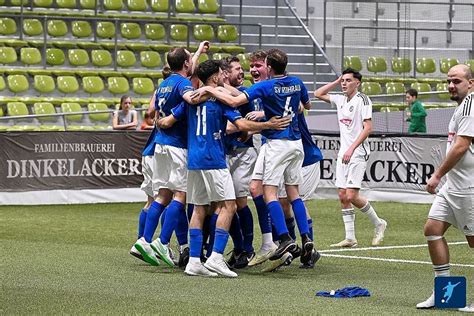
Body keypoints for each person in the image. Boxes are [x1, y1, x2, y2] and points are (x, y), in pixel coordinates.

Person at [193, 49, 315, 270]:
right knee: (292, 193)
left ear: (268, 66)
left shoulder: (265, 87)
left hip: (276, 143)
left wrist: (210, 88)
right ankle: (306, 239)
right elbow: (306, 106)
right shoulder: (297, 82)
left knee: (268, 193)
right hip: (296, 143)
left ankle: (284, 239)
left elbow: (235, 101)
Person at [181, 60, 291, 277]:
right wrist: (268, 125)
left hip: (193, 159)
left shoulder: (191, 98)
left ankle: (194, 260)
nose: (224, 76)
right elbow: (241, 125)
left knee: (199, 208)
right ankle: (216, 257)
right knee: (229, 206)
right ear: (214, 77)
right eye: (221, 73)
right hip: (213, 158)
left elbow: (177, 112)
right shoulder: (219, 102)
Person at [133, 44, 208, 267]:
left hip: (160, 146)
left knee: (162, 195)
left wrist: (197, 51)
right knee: (181, 195)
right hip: (177, 145)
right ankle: (162, 242)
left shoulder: (164, 84)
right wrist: (211, 92)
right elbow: (191, 99)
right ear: (186, 64)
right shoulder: (183, 84)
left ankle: (145, 241)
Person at [416, 64, 473, 312]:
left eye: (457, 81)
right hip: (454, 185)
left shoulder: (471, 105)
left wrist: (437, 175)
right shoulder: (462, 106)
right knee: (432, 229)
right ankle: (443, 291)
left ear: (470, 83)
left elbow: (461, 147)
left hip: (469, 187)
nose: (451, 85)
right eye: (448, 81)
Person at [314, 68, 387, 248]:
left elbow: (368, 128)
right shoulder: (340, 99)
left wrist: (352, 149)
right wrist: (336, 81)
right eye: (343, 80)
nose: (344, 83)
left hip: (358, 152)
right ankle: (350, 238)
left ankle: (379, 223)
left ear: (357, 83)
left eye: (348, 80)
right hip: (343, 152)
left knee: (351, 195)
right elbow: (317, 93)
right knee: (342, 195)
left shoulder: (363, 100)